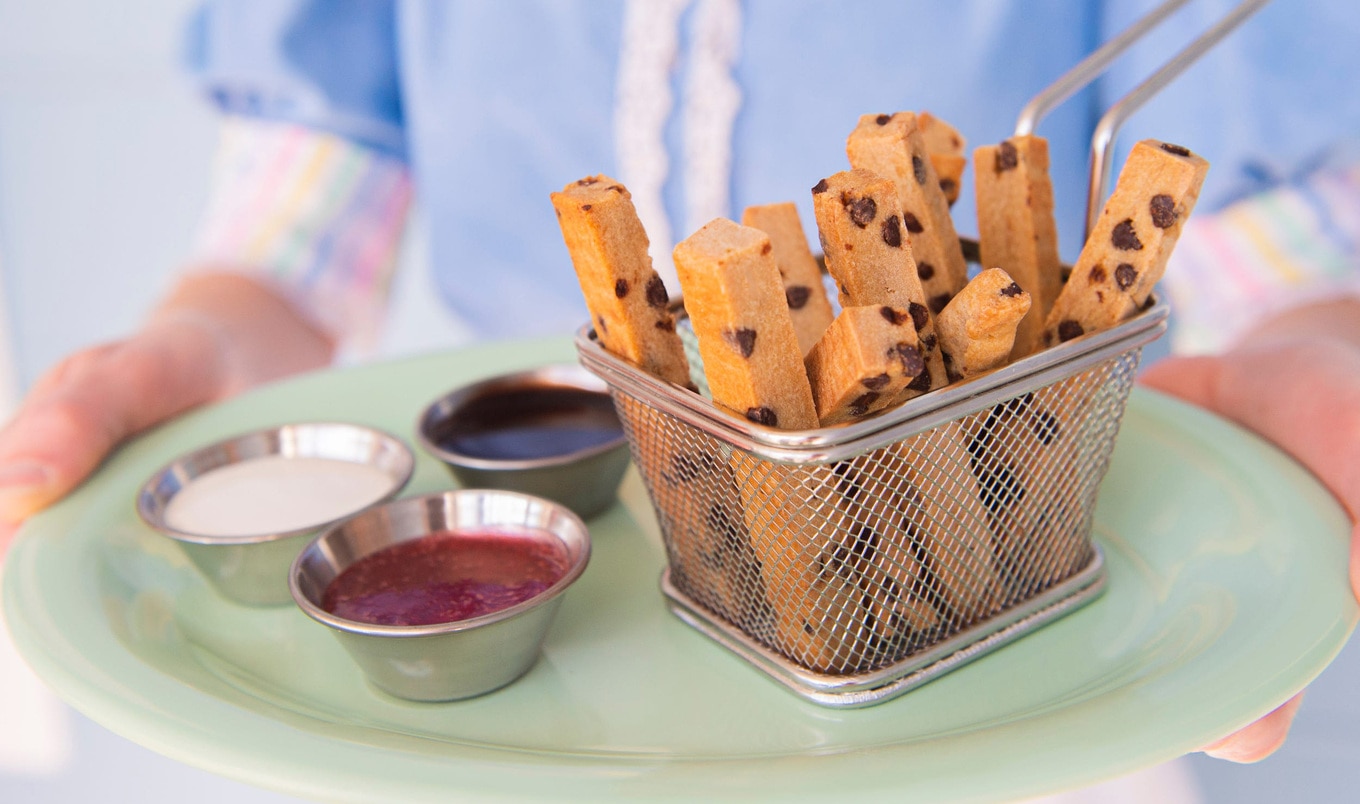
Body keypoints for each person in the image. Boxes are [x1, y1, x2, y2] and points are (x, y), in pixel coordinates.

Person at [0, 0, 1356, 777]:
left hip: (1007, 700)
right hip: (564, 692)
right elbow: (319, 156)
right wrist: (220, 324)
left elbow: (1249, 220)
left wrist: (1321, 345)